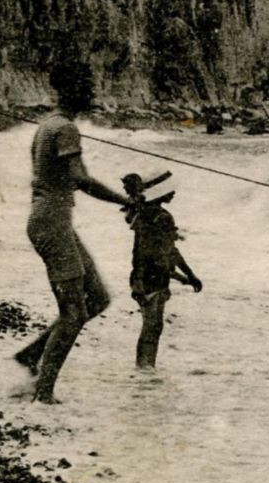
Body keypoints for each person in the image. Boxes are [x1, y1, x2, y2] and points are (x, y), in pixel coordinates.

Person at [14, 59, 136, 404]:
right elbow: (80, 179)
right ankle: (43, 394)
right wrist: (125, 201)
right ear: (75, 90)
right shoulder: (65, 128)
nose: (94, 92)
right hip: (51, 223)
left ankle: (30, 356)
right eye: (89, 86)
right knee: (74, 313)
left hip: (51, 221)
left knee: (97, 298)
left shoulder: (49, 124)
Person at [122, 172, 203, 368]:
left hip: (148, 275)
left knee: (152, 325)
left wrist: (185, 276)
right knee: (153, 326)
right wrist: (188, 275)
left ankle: (145, 367)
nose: (174, 193)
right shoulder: (162, 217)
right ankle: (145, 367)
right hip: (152, 277)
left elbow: (154, 251)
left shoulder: (145, 213)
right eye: (170, 190)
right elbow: (165, 251)